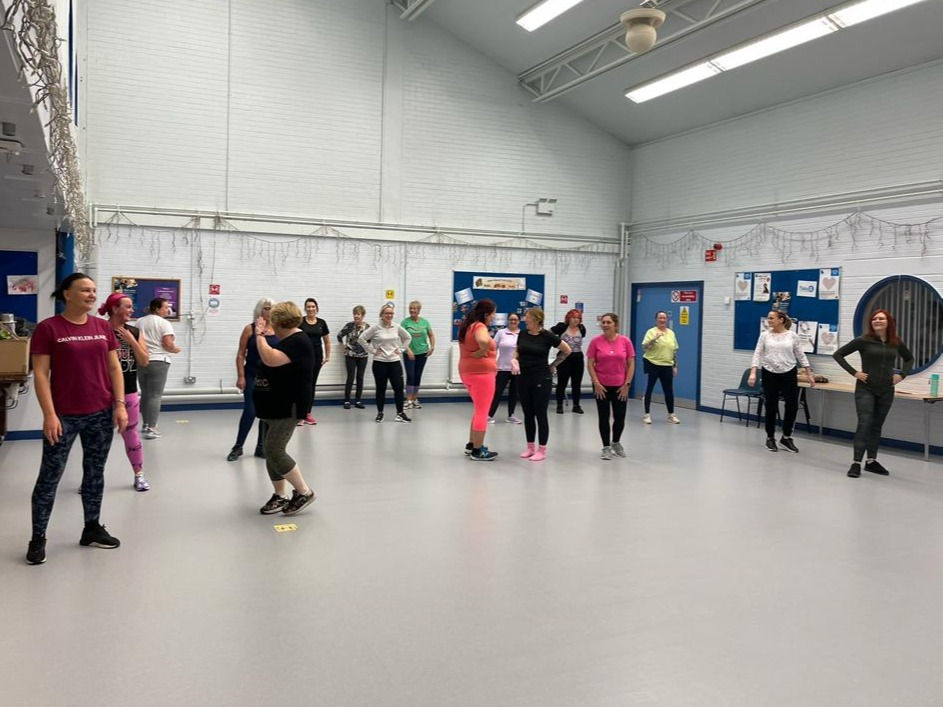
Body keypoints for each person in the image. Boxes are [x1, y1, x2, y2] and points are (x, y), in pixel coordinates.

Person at [26, 273, 128, 565]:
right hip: (64, 416)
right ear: (67, 294)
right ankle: (38, 538)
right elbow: (41, 375)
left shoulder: (102, 327)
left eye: (94, 290)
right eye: (85, 290)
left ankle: (91, 528)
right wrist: (49, 415)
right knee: (50, 477)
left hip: (100, 413)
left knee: (95, 473)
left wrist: (120, 405)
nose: (92, 295)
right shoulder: (49, 328)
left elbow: (114, 368)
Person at [252, 301, 318, 515]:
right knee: (270, 451)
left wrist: (259, 335)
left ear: (280, 324)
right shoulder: (289, 340)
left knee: (274, 449)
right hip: (274, 404)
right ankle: (280, 495)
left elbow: (270, 359)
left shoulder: (298, 341)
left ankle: (304, 491)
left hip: (289, 406)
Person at [833, 309, 914, 478]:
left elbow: (909, 359)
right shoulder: (863, 340)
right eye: (874, 319)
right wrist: (855, 373)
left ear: (888, 322)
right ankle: (856, 463)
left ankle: (871, 461)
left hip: (886, 389)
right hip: (866, 388)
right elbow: (838, 354)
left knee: (877, 425)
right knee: (865, 423)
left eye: (881, 318)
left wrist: (902, 375)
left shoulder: (895, 342)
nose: (877, 321)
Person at [99, 293, 150, 490]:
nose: (132, 310)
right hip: (102, 392)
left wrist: (131, 340)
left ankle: (139, 475)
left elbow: (144, 360)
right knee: (98, 438)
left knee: (131, 434)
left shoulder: (134, 332)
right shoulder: (99, 330)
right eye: (127, 306)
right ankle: (92, 478)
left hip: (128, 391)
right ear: (114, 309)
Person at [749, 310, 814, 453]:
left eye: (771, 318)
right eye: (768, 318)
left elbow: (800, 354)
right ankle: (770, 437)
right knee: (771, 405)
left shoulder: (792, 336)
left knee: (792, 405)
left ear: (781, 320)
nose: (769, 320)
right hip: (769, 372)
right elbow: (757, 353)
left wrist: (809, 373)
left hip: (789, 372)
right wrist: (753, 372)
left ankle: (786, 437)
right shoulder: (765, 335)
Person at [513, 307, 571, 462]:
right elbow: (517, 350)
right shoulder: (523, 334)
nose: (525, 319)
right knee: (528, 413)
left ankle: (542, 449)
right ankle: (530, 447)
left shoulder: (547, 335)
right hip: (523, 377)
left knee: (540, 413)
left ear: (536, 319)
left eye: (527, 316)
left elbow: (567, 350)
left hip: (541, 378)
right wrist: (514, 359)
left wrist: (553, 365)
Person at [227, 299, 277, 461]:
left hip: (272, 377)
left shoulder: (278, 329)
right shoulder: (250, 329)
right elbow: (241, 354)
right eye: (266, 308)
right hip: (252, 375)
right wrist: (240, 376)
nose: (269, 311)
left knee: (267, 412)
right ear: (259, 311)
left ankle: (261, 447)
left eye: (272, 308)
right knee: (251, 410)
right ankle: (238, 446)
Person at [587, 313, 636, 460]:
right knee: (603, 417)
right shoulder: (595, 342)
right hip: (601, 386)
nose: (605, 325)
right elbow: (590, 364)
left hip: (620, 386)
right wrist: (596, 383)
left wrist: (627, 384)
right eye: (603, 322)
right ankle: (606, 447)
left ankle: (616, 442)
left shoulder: (625, 341)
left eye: (608, 322)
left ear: (615, 325)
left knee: (620, 417)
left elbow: (631, 363)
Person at [459, 300, 498, 461]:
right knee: (483, 412)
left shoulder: (469, 326)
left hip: (468, 372)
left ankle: (471, 444)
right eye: (493, 313)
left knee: (478, 410)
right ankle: (478, 450)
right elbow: (483, 341)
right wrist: (483, 350)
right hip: (481, 375)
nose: (494, 317)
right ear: (487, 314)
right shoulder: (480, 326)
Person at [136, 297, 180, 440]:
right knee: (155, 395)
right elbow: (168, 344)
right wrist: (175, 349)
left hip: (141, 361)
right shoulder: (164, 323)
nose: (168, 310)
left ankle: (145, 424)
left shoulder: (139, 321)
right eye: (165, 307)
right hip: (159, 362)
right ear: (157, 309)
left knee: (145, 394)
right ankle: (152, 428)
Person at [362, 304, 414, 422]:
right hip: (380, 362)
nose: (389, 315)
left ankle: (400, 413)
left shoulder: (396, 327)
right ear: (382, 315)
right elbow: (361, 338)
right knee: (381, 389)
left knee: (398, 388)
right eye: (387, 313)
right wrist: (372, 350)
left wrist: (401, 349)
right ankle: (380, 413)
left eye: (391, 313)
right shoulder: (375, 328)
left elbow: (408, 337)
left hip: (394, 361)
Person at [641, 311, 681, 425]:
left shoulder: (671, 333)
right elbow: (645, 347)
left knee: (669, 391)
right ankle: (646, 414)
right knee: (649, 389)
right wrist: (653, 339)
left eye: (664, 318)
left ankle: (671, 415)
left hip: (667, 365)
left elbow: (673, 351)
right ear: (656, 320)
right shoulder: (651, 332)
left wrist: (674, 365)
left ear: (666, 320)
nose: (662, 320)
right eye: (660, 318)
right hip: (653, 363)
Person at [299, 297, 331, 425]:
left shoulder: (322, 323)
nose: (311, 309)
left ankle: (307, 413)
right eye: (308, 306)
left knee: (311, 385)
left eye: (313, 306)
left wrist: (327, 356)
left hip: (317, 357)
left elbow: (327, 341)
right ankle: (300, 415)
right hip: (302, 357)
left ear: (316, 308)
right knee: (302, 385)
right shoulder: (300, 322)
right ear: (305, 308)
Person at [488, 312, 521, 424]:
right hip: (502, 368)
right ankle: (489, 415)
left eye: (515, 319)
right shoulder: (501, 333)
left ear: (519, 321)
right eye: (511, 319)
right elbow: (493, 348)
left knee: (514, 393)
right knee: (497, 391)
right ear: (508, 320)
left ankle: (511, 415)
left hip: (516, 369)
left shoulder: (522, 334)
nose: (513, 321)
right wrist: (492, 363)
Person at [551, 309, 587, 414]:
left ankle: (576, 405)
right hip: (564, 358)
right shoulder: (562, 327)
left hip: (577, 358)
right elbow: (548, 333)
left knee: (577, 383)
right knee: (562, 383)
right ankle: (559, 405)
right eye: (574, 317)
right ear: (568, 318)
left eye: (578, 318)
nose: (576, 320)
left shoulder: (582, 328)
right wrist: (555, 344)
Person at [401, 300, 435, 410]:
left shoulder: (425, 322)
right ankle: (408, 400)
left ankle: (414, 399)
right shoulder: (405, 322)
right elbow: (401, 338)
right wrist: (408, 350)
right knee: (410, 375)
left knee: (417, 375)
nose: (412, 310)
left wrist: (432, 347)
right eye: (410, 308)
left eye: (414, 308)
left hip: (422, 352)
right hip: (409, 353)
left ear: (419, 310)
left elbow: (431, 335)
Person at [337, 305, 369, 409]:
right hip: (350, 355)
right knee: (350, 377)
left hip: (363, 356)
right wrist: (342, 346)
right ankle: (347, 400)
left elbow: (371, 339)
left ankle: (358, 401)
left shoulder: (367, 327)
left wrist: (369, 348)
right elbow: (339, 336)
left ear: (362, 315)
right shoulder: (349, 326)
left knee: (360, 378)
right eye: (355, 314)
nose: (356, 316)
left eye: (358, 314)